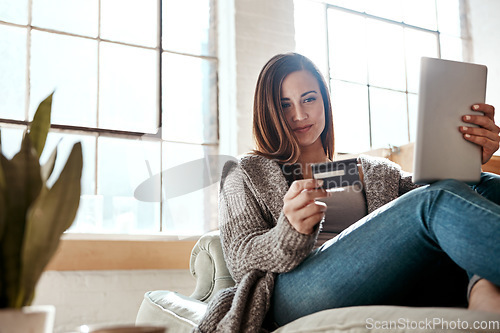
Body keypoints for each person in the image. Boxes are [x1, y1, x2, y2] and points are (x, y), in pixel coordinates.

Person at [194, 53, 500, 333]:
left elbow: (446, 196)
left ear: (324, 102)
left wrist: (468, 156)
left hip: (385, 280)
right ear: (269, 110)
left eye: (309, 99)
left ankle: (484, 292)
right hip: (296, 291)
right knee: (437, 202)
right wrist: (288, 232)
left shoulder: (371, 170)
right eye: (285, 104)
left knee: (487, 183)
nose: (299, 114)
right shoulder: (245, 172)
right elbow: (240, 257)